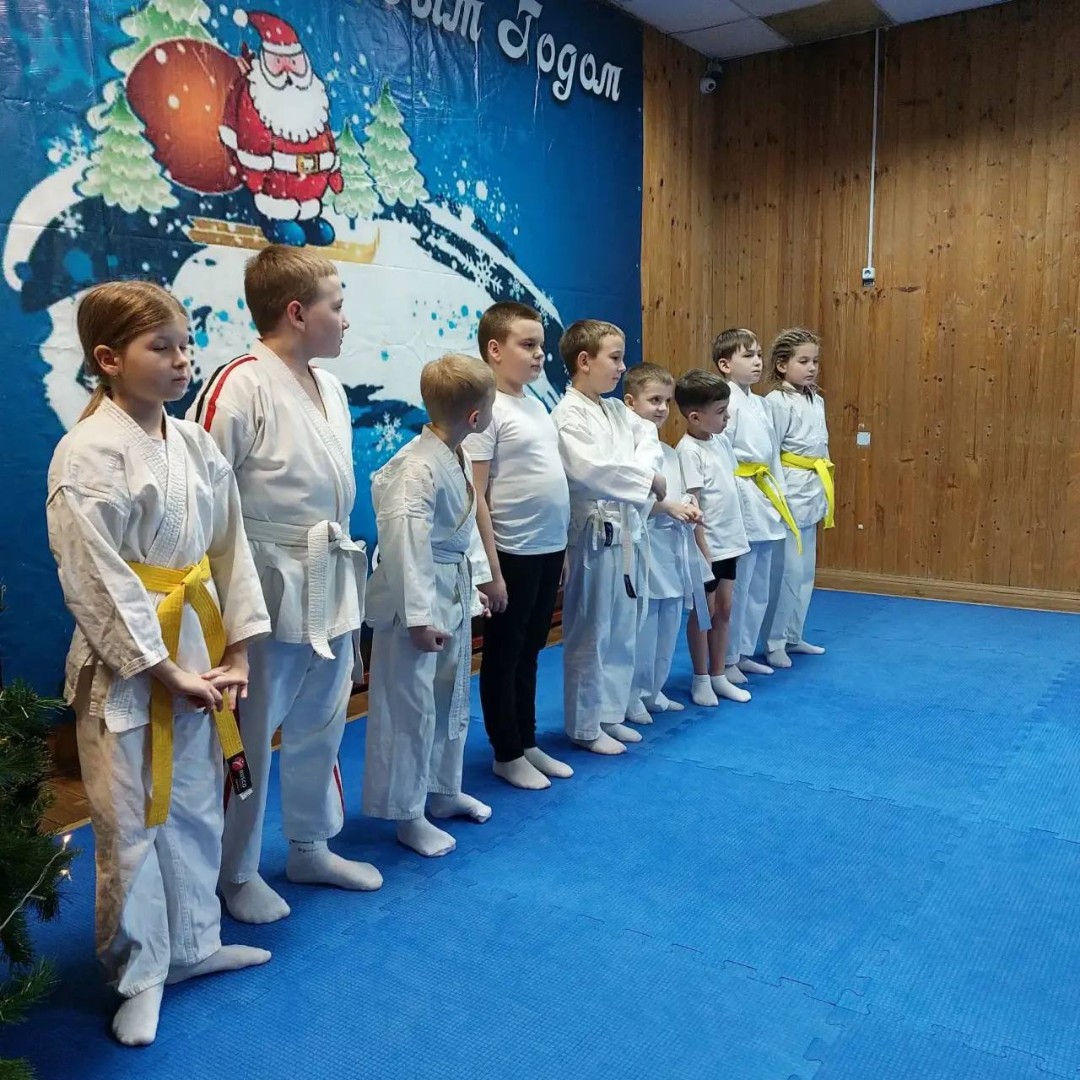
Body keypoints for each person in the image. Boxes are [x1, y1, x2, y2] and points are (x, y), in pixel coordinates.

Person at [46, 282, 272, 1047]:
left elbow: (229, 549)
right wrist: (160, 668)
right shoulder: (86, 454)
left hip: (201, 646)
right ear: (109, 359)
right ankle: (140, 971)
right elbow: (93, 579)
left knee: (199, 803)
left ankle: (196, 943)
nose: (182, 360)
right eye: (162, 347)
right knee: (132, 820)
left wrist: (238, 648)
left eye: (186, 344)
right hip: (128, 667)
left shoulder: (197, 444)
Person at [189, 245, 378, 926]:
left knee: (322, 717)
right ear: (297, 313)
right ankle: (233, 872)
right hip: (262, 581)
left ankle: (309, 844)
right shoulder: (238, 384)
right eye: (337, 305)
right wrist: (223, 610)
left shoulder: (329, 387)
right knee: (250, 729)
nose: (346, 320)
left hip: (329, 570)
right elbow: (201, 500)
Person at [363, 354, 495, 857]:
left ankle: (442, 789)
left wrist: (478, 582)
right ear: (476, 417)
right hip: (414, 597)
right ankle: (407, 814)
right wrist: (418, 618)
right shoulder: (416, 469)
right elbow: (405, 544)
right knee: (411, 707)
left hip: (451, 584)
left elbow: (458, 534)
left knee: (450, 695)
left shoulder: (454, 455)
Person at [464, 302, 574, 791]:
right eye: (527, 345)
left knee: (531, 649)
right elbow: (476, 495)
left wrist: (561, 548)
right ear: (494, 349)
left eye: (541, 346)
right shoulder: (487, 411)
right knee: (504, 654)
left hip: (547, 547)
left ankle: (527, 741)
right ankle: (505, 752)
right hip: (511, 551)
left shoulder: (535, 404)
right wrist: (490, 569)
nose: (539, 355)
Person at [551, 320, 667, 755]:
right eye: (615, 358)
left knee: (623, 628)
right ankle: (584, 725)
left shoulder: (616, 410)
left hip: (626, 530)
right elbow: (590, 470)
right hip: (591, 536)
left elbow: (648, 437)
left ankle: (610, 713)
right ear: (584, 361)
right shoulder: (566, 415)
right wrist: (645, 478)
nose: (622, 368)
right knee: (591, 631)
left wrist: (644, 472)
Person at [712, 328, 801, 684]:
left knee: (759, 585)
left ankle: (745, 652)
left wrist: (781, 495)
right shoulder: (725, 402)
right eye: (747, 355)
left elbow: (773, 455)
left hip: (765, 493)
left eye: (759, 354)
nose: (757, 362)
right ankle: (728, 657)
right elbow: (721, 455)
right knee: (741, 585)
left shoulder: (760, 403)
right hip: (741, 494)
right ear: (725, 365)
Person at [622, 364, 708, 720]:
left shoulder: (668, 452)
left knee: (668, 624)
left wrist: (688, 505)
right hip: (643, 550)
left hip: (672, 549)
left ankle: (654, 689)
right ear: (631, 402)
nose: (661, 408)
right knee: (643, 628)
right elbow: (629, 501)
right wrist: (667, 507)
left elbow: (677, 493)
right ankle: (632, 696)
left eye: (667, 401)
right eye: (654, 400)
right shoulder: (626, 452)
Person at [674, 369, 753, 707]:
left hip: (729, 541)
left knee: (725, 608)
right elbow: (693, 506)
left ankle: (719, 673)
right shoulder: (688, 451)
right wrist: (703, 550)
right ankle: (701, 677)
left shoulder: (720, 442)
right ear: (695, 417)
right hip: (708, 546)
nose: (727, 417)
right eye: (720, 412)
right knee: (704, 612)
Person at [762, 328, 832, 667]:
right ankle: (774, 641)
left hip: (813, 486)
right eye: (803, 361)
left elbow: (821, 446)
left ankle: (794, 634)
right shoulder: (776, 402)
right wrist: (777, 494)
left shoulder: (816, 400)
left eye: (814, 361)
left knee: (805, 572)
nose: (811, 368)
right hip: (788, 489)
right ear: (781, 365)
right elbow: (771, 451)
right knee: (787, 571)